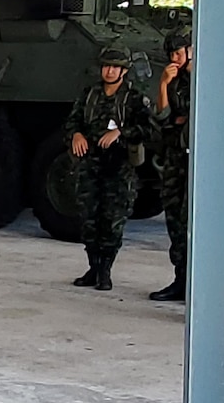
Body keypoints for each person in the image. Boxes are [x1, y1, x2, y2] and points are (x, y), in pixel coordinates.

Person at [66, 47, 157, 292]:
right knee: (89, 219)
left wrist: (121, 132)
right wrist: (76, 135)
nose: (109, 70)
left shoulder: (134, 98)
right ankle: (93, 268)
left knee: (112, 220)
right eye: (106, 66)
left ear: (124, 71)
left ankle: (105, 270)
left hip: (118, 167)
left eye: (115, 67)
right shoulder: (90, 94)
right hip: (90, 165)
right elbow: (74, 120)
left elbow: (149, 129)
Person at [151, 32, 193, 302]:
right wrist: (164, 84)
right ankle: (180, 279)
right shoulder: (174, 80)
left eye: (178, 53)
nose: (174, 59)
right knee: (175, 216)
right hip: (174, 154)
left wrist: (184, 118)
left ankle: (194, 281)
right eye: (171, 54)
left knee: (194, 219)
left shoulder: (207, 75)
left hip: (197, 156)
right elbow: (164, 116)